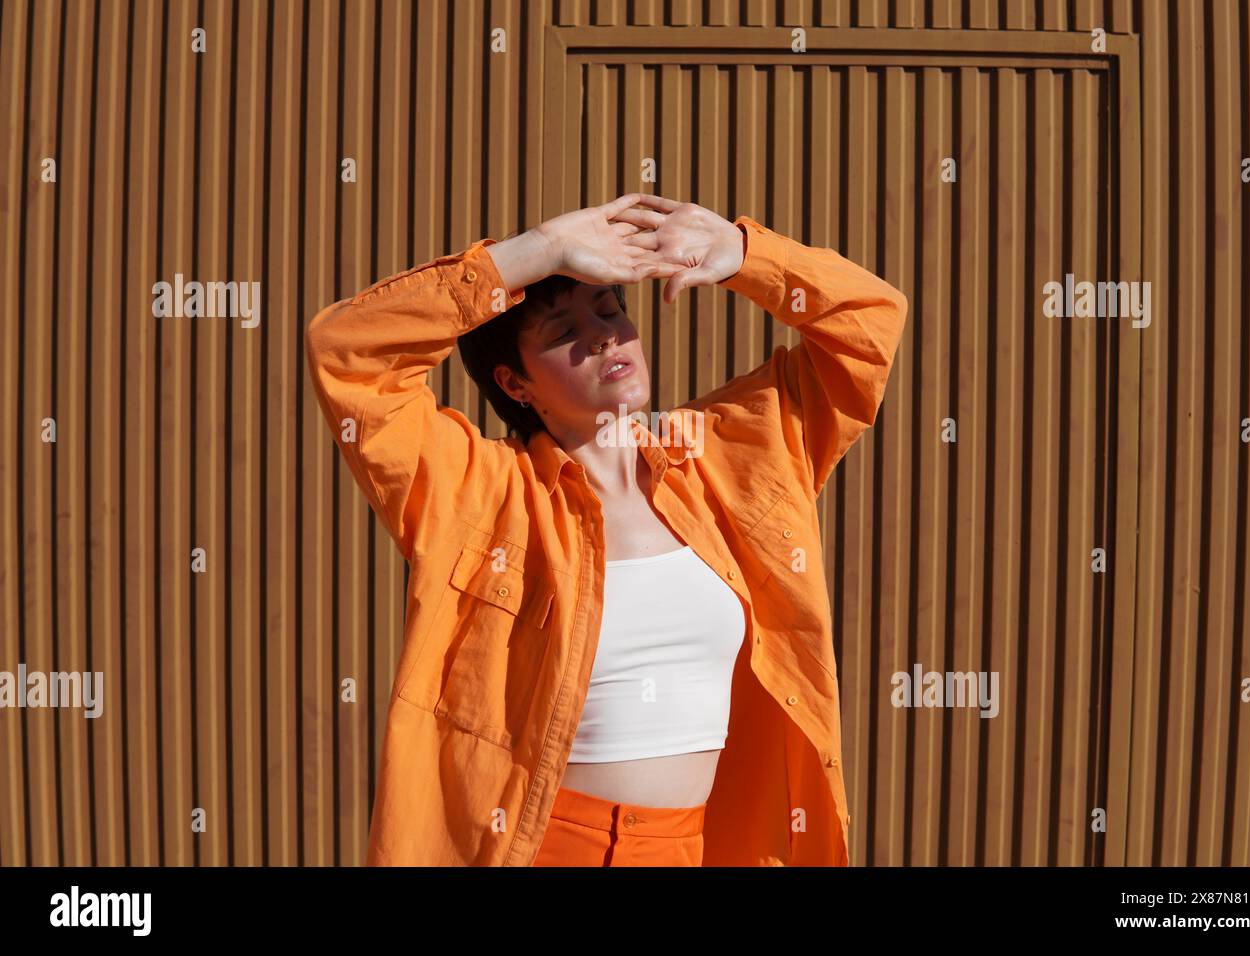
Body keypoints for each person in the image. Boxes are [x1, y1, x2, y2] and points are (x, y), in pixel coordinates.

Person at [305, 193, 908, 866]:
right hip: (547, 847)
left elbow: (871, 325)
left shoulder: (733, 459)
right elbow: (347, 349)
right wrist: (537, 248)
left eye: (609, 307)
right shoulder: (479, 490)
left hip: (696, 847)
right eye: (562, 330)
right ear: (516, 383)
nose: (602, 335)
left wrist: (746, 257)